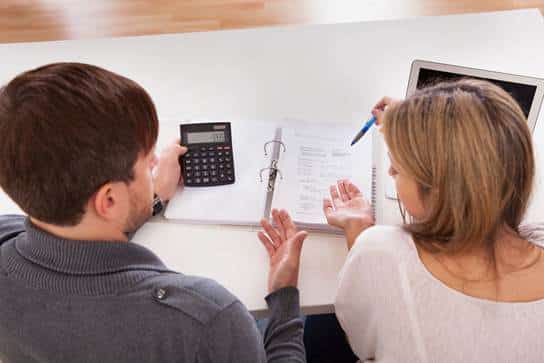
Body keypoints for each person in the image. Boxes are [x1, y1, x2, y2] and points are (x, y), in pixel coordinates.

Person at [0, 62, 306, 362]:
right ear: (108, 200)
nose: (156, 163)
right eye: (146, 162)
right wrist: (285, 297)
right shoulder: (207, 318)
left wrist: (152, 195)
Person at [262, 79, 544, 362]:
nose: (390, 173)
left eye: (397, 168)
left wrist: (359, 232)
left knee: (324, 324)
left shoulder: (382, 251)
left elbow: (362, 344)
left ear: (436, 187)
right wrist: (419, 127)